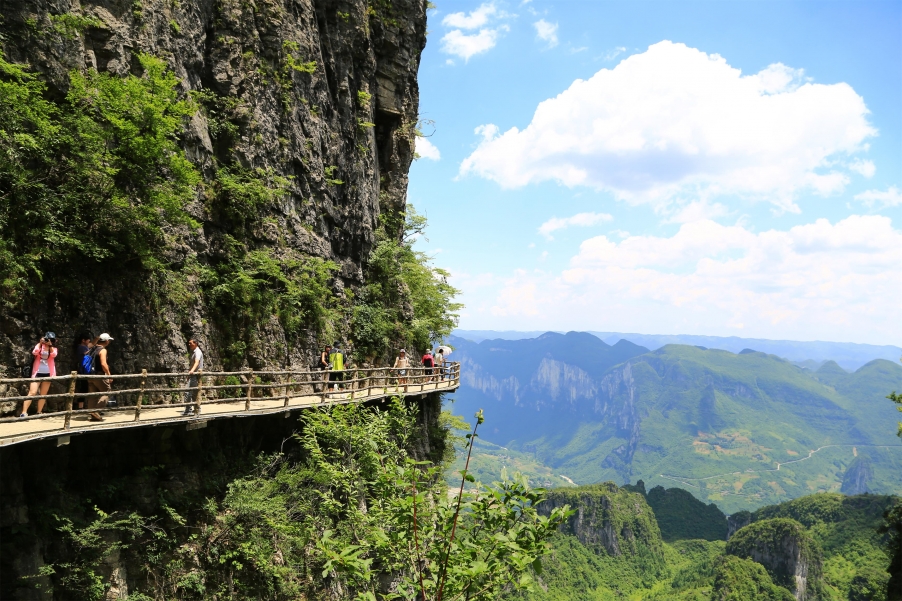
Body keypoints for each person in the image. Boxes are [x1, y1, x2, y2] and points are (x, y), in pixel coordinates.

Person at [20, 333, 57, 417]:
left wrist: (50, 346)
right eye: (48, 339)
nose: (49, 341)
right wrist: (40, 343)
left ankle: (39, 412)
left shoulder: (53, 348)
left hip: (48, 373)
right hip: (37, 373)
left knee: (43, 394)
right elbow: (35, 352)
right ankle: (24, 412)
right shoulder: (40, 346)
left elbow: (54, 355)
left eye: (52, 340)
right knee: (32, 392)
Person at [87, 333, 114, 422]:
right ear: (106, 341)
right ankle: (96, 411)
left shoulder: (93, 348)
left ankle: (92, 413)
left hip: (90, 375)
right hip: (99, 374)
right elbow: (103, 364)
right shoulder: (103, 350)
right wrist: (109, 374)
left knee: (93, 395)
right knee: (107, 392)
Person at [182, 338, 204, 416]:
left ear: (195, 344)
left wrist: (191, 371)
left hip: (195, 375)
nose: (189, 345)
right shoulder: (194, 352)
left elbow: (197, 362)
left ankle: (189, 410)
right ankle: (195, 409)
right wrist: (189, 374)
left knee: (188, 392)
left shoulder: (197, 352)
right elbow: (193, 364)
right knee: (193, 393)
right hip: (193, 375)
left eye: (190, 343)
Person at [74, 331, 93, 410]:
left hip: (85, 370)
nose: (89, 341)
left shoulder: (85, 347)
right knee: (84, 388)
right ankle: (80, 406)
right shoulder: (81, 347)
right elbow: (86, 353)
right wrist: (92, 350)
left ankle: (84, 406)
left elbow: (91, 345)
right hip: (83, 370)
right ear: (83, 340)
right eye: (88, 339)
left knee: (86, 388)